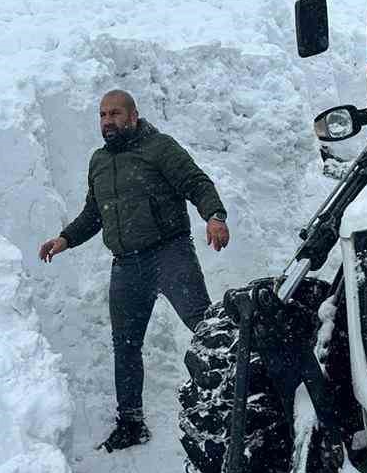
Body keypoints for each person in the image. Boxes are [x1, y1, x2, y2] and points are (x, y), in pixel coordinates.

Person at [39, 89, 229, 452]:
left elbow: (196, 182)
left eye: (115, 114)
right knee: (125, 346)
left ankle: (236, 395)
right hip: (127, 265)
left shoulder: (159, 148)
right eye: (102, 115)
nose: (108, 121)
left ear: (133, 115)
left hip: (169, 253)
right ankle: (131, 423)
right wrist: (65, 239)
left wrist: (214, 216)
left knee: (205, 328)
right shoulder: (98, 161)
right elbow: (93, 214)